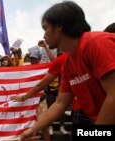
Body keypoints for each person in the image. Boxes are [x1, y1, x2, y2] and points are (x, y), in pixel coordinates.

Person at [19, 1, 115, 140]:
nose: (44, 34)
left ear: (59, 26)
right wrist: (34, 128)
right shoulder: (68, 63)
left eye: (45, 28)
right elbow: (60, 103)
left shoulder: (96, 43)